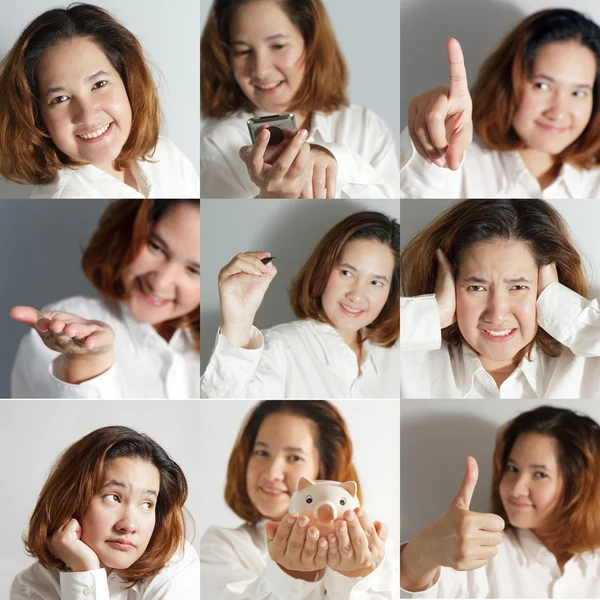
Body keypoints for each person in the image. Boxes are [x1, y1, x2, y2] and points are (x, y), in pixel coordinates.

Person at [400, 198, 600, 399]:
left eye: (518, 287)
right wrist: (435, 314)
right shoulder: (407, 365)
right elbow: (370, 329)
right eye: (477, 287)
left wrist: (560, 304)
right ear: (450, 285)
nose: (497, 314)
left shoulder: (587, 364)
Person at [200, 0, 400, 199]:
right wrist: (269, 198)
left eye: (278, 46)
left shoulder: (364, 126)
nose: (260, 71)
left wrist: (333, 157)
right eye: (243, 52)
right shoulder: (218, 143)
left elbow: (393, 201)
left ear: (311, 43)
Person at [201, 400, 397, 599]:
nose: (271, 474)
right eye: (261, 452)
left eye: (294, 457)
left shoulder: (377, 551)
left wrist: (354, 576)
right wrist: (290, 576)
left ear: (323, 470)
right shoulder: (222, 546)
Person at [0, 3, 198, 198]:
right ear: (36, 115)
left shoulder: (167, 156)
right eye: (60, 98)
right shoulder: (67, 198)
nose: (87, 114)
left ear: (127, 82)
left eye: (99, 84)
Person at [401, 405, 600, 597]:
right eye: (512, 469)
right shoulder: (477, 554)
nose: (516, 488)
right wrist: (425, 551)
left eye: (539, 474)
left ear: (581, 483)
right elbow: (415, 586)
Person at [401, 8, 600, 198]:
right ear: (508, 83)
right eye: (542, 86)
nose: (558, 112)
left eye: (578, 92)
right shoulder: (460, 172)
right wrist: (434, 144)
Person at [10, 199, 200, 399]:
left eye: (194, 270)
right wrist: (86, 362)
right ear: (130, 232)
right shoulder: (60, 333)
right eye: (155, 247)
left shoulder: (217, 345)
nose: (161, 282)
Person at [201, 211, 399, 398]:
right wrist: (237, 324)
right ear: (324, 269)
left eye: (376, 283)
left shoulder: (397, 357)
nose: (356, 296)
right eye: (346, 273)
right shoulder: (280, 348)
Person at [11, 425, 199, 599]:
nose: (129, 526)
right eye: (113, 497)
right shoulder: (31, 587)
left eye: (147, 504)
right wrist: (85, 571)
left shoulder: (176, 565)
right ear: (70, 499)